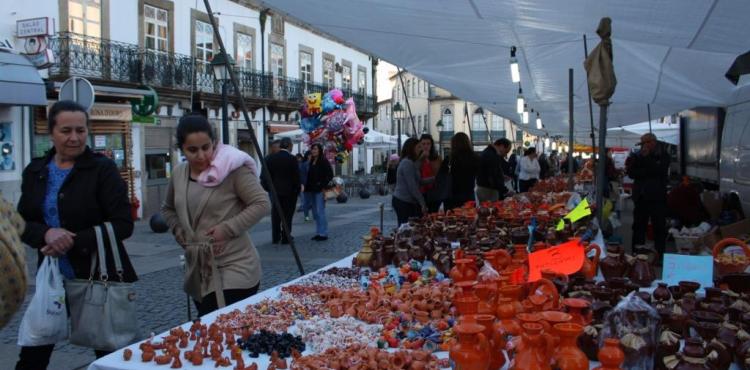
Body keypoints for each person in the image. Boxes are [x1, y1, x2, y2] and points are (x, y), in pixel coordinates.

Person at [16, 100, 137, 369]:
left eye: (81, 131)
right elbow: (22, 222)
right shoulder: (35, 171)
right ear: (52, 132)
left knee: (108, 353)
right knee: (34, 352)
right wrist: (46, 234)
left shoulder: (101, 169)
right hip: (52, 278)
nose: (74, 137)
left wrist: (70, 240)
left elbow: (123, 224)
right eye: (66, 130)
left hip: (98, 277)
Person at [161, 115, 270, 316]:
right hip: (199, 271)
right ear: (181, 148)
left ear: (214, 143)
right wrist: (178, 230)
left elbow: (262, 203)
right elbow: (167, 208)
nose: (201, 155)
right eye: (192, 150)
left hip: (236, 267)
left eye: (206, 147)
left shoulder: (233, 170)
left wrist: (227, 229)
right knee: (210, 333)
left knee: (228, 332)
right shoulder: (178, 174)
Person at [627, 133, 670, 263]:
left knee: (659, 227)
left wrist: (647, 161)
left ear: (652, 143)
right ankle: (637, 253)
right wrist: (647, 171)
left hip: (657, 197)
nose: (643, 147)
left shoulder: (663, 155)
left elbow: (660, 171)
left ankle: (659, 255)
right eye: (642, 144)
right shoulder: (637, 155)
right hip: (641, 196)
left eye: (645, 144)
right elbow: (632, 172)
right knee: (639, 226)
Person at [264, 138, 301, 244]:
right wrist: (297, 190)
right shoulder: (292, 159)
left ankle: (275, 237)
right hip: (289, 192)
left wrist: (269, 188)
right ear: (289, 146)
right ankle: (286, 237)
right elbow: (296, 176)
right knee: (287, 215)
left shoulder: (271, 158)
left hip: (275, 191)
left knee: (276, 215)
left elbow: (267, 176)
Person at [392, 138, 427, 225]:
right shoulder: (407, 163)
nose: (421, 149)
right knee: (405, 228)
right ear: (412, 148)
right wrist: (422, 203)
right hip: (402, 201)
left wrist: (434, 179)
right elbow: (412, 186)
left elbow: (418, 181)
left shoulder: (411, 162)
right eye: (418, 147)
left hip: (406, 201)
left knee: (407, 227)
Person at [304, 143, 333, 241]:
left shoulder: (323, 161)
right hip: (311, 189)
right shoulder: (312, 161)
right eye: (312, 149)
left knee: (320, 211)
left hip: (319, 189)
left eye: (315, 149)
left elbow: (330, 174)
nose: (313, 151)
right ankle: (318, 232)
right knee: (315, 212)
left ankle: (323, 233)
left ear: (320, 150)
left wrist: (322, 184)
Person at [444, 132, 479, 210]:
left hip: (453, 193)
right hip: (469, 192)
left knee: (453, 218)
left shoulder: (450, 159)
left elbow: (443, 175)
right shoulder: (475, 157)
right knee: (469, 216)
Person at [476, 138, 511, 202]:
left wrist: (501, 176)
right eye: (506, 151)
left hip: (485, 189)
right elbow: (493, 177)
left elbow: (489, 172)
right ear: (502, 146)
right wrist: (505, 190)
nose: (505, 154)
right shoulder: (492, 155)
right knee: (491, 210)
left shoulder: (489, 152)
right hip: (488, 191)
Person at [417, 134, 443, 213]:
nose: (426, 146)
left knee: (433, 214)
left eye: (428, 144)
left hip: (434, 192)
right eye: (423, 144)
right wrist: (421, 159)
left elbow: (439, 174)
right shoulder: (416, 157)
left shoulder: (437, 158)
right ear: (420, 145)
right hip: (420, 192)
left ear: (431, 145)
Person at [298, 151, 312, 222]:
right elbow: (301, 176)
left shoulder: (316, 163)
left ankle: (314, 215)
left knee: (312, 202)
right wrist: (302, 184)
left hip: (314, 186)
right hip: (306, 185)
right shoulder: (304, 165)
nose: (311, 157)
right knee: (306, 202)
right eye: (310, 155)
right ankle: (306, 216)